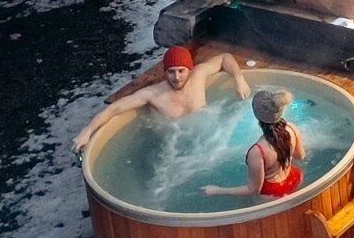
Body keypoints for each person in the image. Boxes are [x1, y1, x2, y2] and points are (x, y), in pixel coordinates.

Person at [72, 45, 249, 155]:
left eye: (181, 71)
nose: (176, 77)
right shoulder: (153, 95)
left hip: (213, 141)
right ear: (165, 72)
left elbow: (225, 57)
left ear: (189, 69)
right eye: (171, 71)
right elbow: (114, 109)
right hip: (175, 151)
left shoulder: (198, 75)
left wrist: (239, 78)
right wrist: (87, 131)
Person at [203, 88, 305, 198]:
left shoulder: (258, 151)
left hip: (274, 194)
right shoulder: (291, 129)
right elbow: (301, 156)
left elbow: (253, 190)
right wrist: (283, 153)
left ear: (256, 115)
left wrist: (218, 190)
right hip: (296, 178)